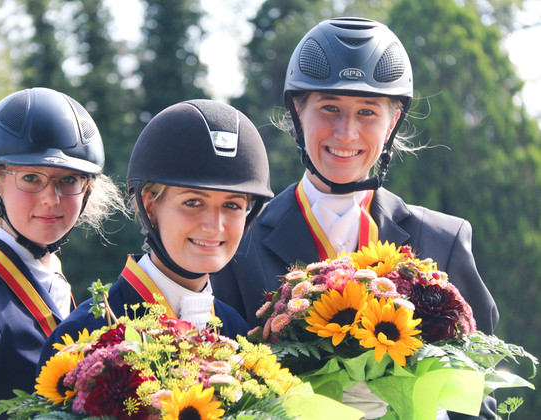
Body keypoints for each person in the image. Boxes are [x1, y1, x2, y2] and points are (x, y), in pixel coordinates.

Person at [211, 17, 498, 419]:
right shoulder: (241, 242)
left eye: (367, 111)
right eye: (330, 108)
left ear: (393, 121)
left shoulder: (443, 241)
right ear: (298, 110)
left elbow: (478, 398)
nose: (346, 133)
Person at [0, 87, 126, 420]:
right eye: (31, 178)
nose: (51, 198)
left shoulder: (51, 280)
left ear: (86, 188)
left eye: (69, 180)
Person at [38, 99, 274, 367]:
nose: (215, 225)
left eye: (232, 205)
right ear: (150, 206)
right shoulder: (83, 338)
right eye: (193, 202)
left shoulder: (237, 332)